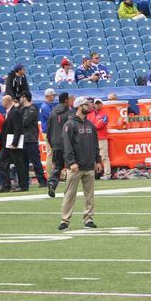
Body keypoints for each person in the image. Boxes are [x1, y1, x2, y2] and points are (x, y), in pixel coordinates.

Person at [59, 97, 101, 230]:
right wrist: (71, 162)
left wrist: (97, 160)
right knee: (70, 194)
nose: (89, 106)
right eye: (86, 105)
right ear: (79, 106)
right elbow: (67, 145)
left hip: (89, 165)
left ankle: (88, 219)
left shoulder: (90, 125)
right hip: (75, 167)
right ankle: (65, 220)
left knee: (89, 195)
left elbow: (95, 144)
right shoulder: (69, 124)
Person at [0, 96, 27, 193]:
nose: (2, 103)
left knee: (18, 164)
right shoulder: (9, 112)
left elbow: (18, 128)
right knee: (2, 162)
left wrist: (15, 143)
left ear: (7, 101)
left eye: (3, 101)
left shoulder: (15, 112)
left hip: (12, 144)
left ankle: (23, 185)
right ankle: (6, 185)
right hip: (7, 144)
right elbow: (5, 130)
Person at [46, 92, 72, 197]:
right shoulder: (70, 113)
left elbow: (48, 130)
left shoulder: (52, 113)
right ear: (66, 100)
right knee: (71, 167)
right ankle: (69, 189)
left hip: (56, 144)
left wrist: (52, 143)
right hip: (67, 144)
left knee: (57, 167)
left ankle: (52, 183)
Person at [21, 95, 47, 188]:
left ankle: (42, 181)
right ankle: (24, 183)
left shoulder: (33, 109)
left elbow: (24, 122)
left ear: (24, 97)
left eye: (21, 97)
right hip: (23, 139)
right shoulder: (22, 109)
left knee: (36, 161)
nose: (20, 100)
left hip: (31, 139)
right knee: (24, 163)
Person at [86, 98, 110, 180]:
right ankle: (94, 174)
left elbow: (100, 125)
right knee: (92, 156)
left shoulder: (105, 114)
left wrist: (92, 125)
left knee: (104, 156)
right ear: (94, 104)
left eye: (99, 103)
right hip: (92, 138)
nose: (98, 105)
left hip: (101, 138)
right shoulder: (90, 114)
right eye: (96, 103)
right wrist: (94, 125)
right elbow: (87, 125)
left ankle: (107, 174)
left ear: (102, 104)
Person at [39, 88, 57, 177]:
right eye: (53, 95)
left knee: (52, 153)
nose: (54, 97)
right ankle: (50, 175)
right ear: (48, 96)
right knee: (50, 153)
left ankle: (53, 174)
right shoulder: (45, 107)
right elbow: (53, 118)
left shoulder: (49, 105)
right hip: (48, 132)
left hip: (50, 131)